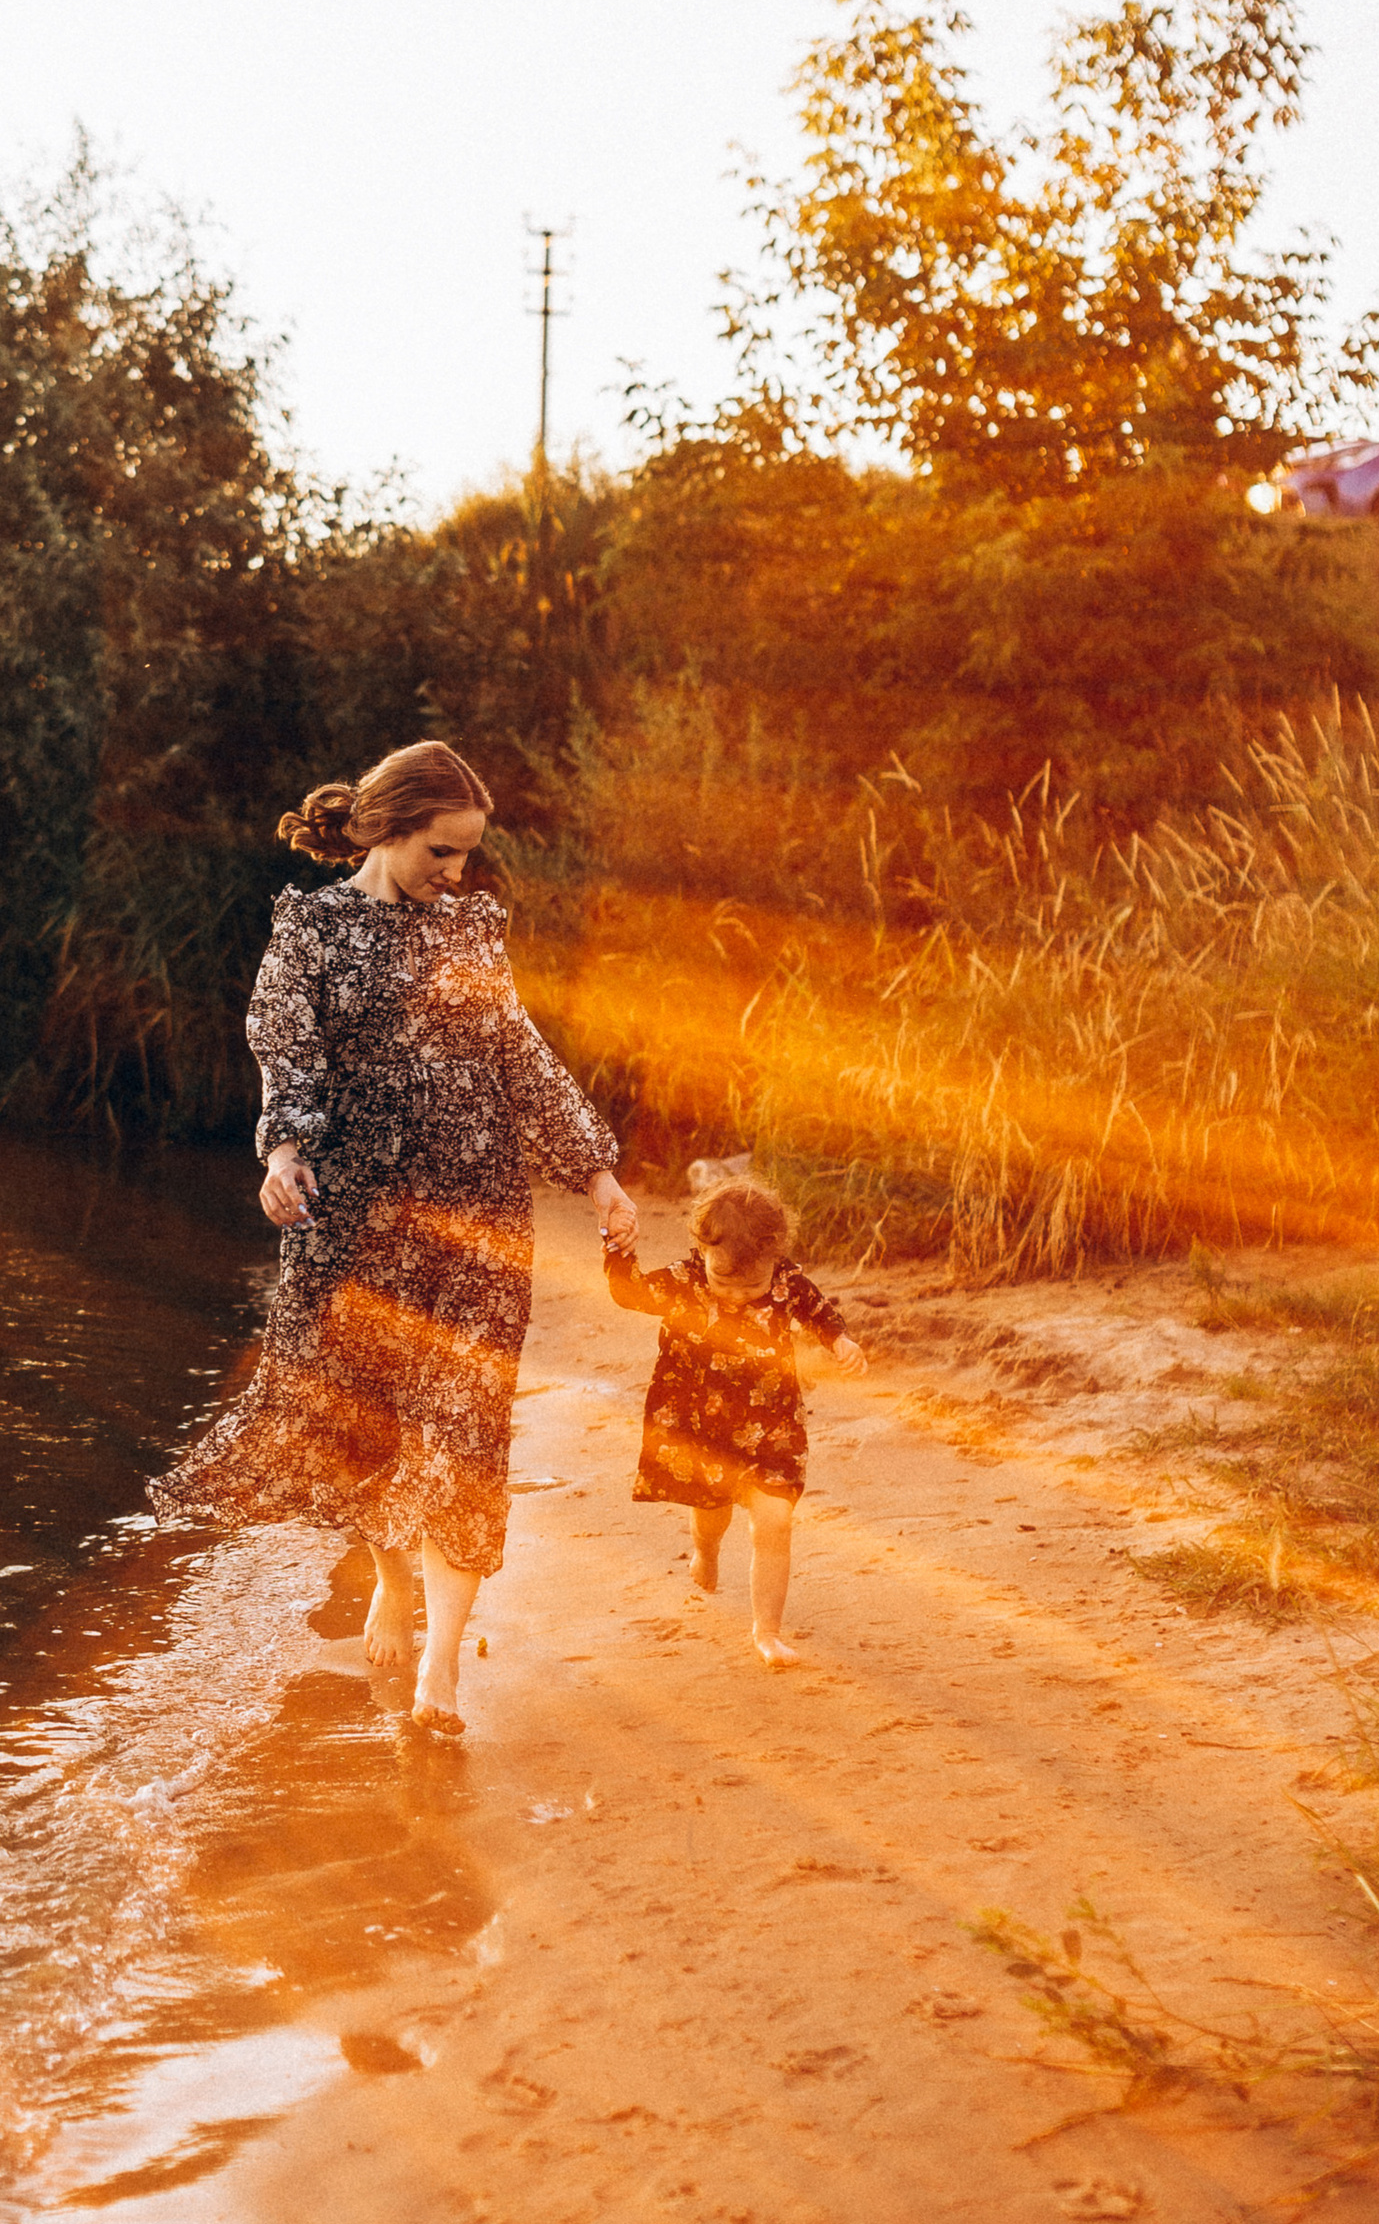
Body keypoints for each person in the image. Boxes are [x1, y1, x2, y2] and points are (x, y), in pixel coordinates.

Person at [148, 741, 636, 1735]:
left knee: (464, 1433)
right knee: (366, 1430)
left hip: (479, 1221)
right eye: (441, 851)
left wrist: (595, 1170)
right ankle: (389, 1577)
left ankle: (440, 1672)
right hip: (356, 1228)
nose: (456, 872)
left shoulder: (473, 929)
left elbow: (519, 1054)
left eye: (468, 854)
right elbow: (285, 1051)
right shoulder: (311, 931)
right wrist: (282, 1155)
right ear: (386, 828)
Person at [603, 1175, 866, 1666]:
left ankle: (768, 1632)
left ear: (775, 1256)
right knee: (712, 1511)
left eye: (751, 1285)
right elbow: (629, 1292)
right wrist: (619, 1248)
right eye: (723, 1281)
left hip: (771, 1423)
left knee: (775, 1520)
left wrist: (841, 1342)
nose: (738, 1295)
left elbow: (820, 1313)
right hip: (702, 1426)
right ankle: (706, 1551)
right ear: (702, 1249)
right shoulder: (685, 1281)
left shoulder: (787, 1282)